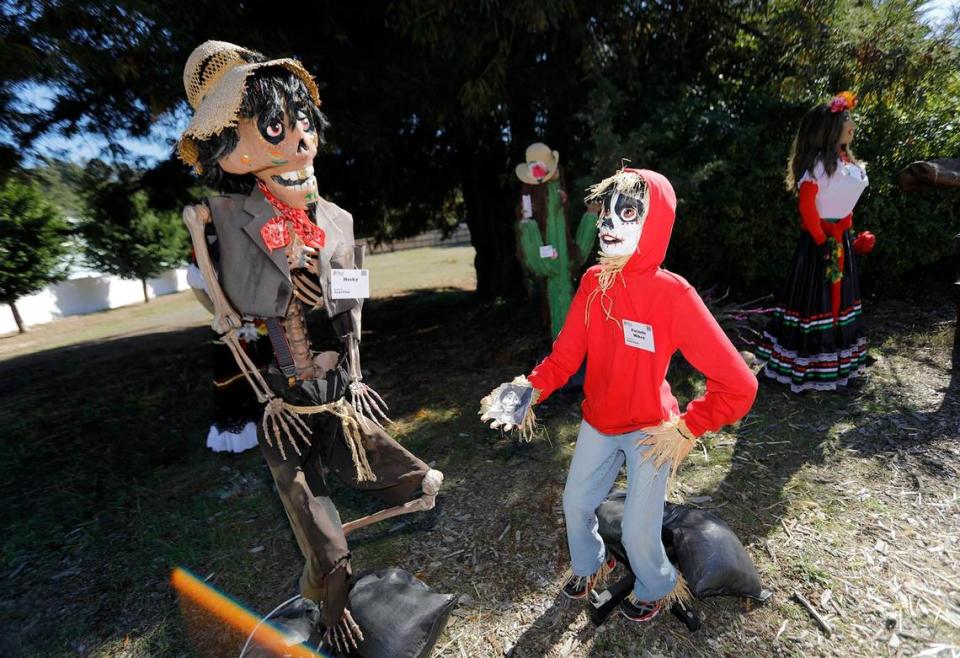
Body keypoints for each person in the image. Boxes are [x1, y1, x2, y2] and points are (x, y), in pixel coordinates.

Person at [176, 41, 443, 650]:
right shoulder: (225, 221)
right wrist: (209, 264)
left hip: (335, 396)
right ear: (229, 147)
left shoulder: (336, 220)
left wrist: (346, 358)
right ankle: (329, 600)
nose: (298, 141)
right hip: (281, 406)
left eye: (303, 126)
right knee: (323, 535)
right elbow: (230, 314)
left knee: (410, 478)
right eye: (275, 127)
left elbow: (350, 301)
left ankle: (333, 576)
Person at [481, 167, 758, 622]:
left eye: (626, 212)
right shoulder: (593, 282)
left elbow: (739, 384)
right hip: (599, 420)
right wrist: (526, 390)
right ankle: (593, 564)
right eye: (606, 211)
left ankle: (658, 583)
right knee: (575, 503)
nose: (608, 223)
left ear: (655, 223)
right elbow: (566, 355)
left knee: (637, 529)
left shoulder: (674, 294)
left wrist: (690, 425)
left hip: (652, 429)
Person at [758, 91, 874, 393]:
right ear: (829, 129)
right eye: (846, 120)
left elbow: (841, 205)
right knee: (818, 301)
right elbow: (808, 207)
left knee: (838, 301)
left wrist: (850, 233)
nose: (851, 126)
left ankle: (838, 364)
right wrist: (823, 238)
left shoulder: (844, 162)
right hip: (819, 244)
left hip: (837, 240)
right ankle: (812, 368)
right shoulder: (819, 167)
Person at [514, 143, 599, 340]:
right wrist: (527, 225)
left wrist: (591, 216)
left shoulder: (557, 193)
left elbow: (576, 247)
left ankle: (569, 354)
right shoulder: (532, 199)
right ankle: (564, 355)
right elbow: (528, 227)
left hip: (562, 263)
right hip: (552, 263)